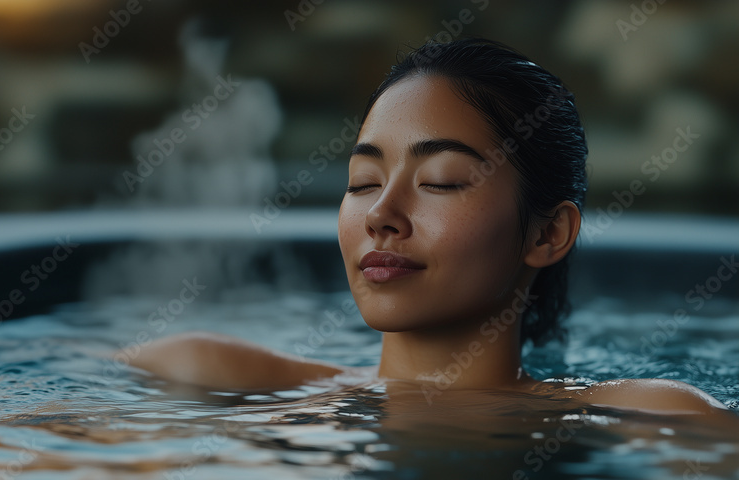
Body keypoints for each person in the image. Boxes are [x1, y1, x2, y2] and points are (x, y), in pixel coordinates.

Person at [127, 38, 729, 417]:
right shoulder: (208, 376)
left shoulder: (650, 417)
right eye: (363, 182)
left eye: (440, 180)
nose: (381, 214)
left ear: (547, 234)